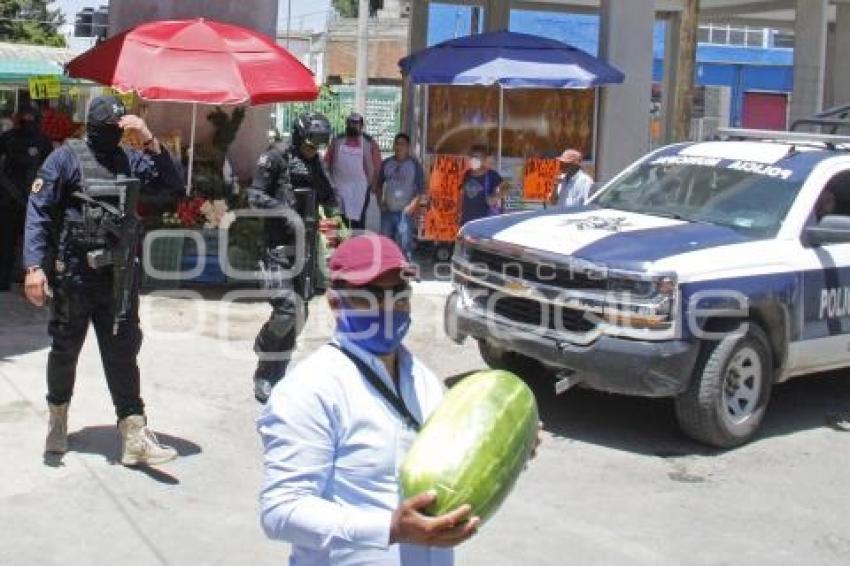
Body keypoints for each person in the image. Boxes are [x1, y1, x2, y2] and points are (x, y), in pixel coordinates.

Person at [258, 234, 481, 565]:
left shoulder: (425, 382)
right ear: (335, 303)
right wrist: (389, 529)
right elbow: (281, 511)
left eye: (399, 295)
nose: (389, 307)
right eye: (371, 296)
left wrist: (510, 446)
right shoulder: (310, 390)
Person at [23, 95, 183, 465]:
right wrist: (34, 267)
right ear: (94, 128)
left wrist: (148, 139)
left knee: (123, 355)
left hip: (118, 279)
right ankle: (58, 419)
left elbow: (173, 187)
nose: (116, 135)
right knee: (65, 353)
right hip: (75, 278)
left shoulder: (130, 157)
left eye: (120, 129)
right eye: (110, 129)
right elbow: (40, 212)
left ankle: (134, 436)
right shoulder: (64, 158)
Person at [248, 113, 336, 403]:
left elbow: (328, 195)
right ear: (300, 136)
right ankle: (263, 365)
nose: (314, 150)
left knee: (301, 314)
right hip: (278, 248)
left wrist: (337, 217)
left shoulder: (313, 161)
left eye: (319, 146)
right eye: (311, 144)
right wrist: (286, 214)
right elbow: (255, 196)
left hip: (306, 248)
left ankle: (277, 376)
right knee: (288, 308)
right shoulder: (276, 157)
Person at [0, 103, 52, 291]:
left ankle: (6, 281)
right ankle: (24, 282)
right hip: (26, 199)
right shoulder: (42, 140)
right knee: (29, 242)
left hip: (18, 199)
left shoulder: (10, 137)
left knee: (9, 242)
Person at [325, 112, 382, 230]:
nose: (352, 125)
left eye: (355, 123)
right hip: (339, 187)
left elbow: (377, 166)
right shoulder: (337, 141)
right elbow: (327, 162)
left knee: (359, 222)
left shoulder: (369, 142)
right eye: (350, 122)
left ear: (361, 125)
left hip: (361, 189)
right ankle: (343, 246)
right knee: (340, 221)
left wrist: (374, 185)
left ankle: (358, 246)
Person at [377, 133, 425, 261]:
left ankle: (407, 271)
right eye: (396, 143)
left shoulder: (415, 166)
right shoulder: (386, 163)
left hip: (405, 213)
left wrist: (412, 206)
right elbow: (378, 185)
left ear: (408, 147)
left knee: (405, 245)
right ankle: (387, 271)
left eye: (402, 144)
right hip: (387, 211)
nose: (399, 147)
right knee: (385, 243)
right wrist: (380, 202)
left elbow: (420, 190)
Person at [458, 145, 507, 227]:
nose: (474, 159)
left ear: (484, 159)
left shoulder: (491, 175)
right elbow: (462, 193)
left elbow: (507, 187)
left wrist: (495, 197)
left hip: (484, 222)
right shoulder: (467, 174)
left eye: (477, 157)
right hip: (466, 222)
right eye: (471, 157)